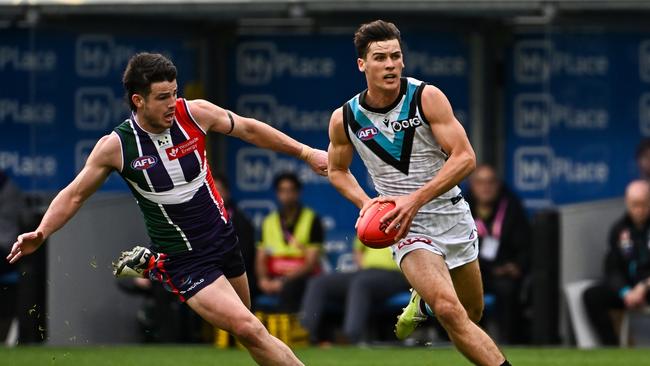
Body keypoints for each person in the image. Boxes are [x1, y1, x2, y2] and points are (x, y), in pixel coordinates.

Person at [6, 53, 328, 365]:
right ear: (138, 100)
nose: (173, 103)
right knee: (249, 328)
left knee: (249, 332)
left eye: (175, 93)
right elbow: (74, 194)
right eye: (162, 97)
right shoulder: (117, 146)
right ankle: (159, 265)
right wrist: (43, 231)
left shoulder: (196, 114)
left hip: (223, 239)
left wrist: (304, 152)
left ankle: (151, 264)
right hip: (185, 260)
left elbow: (249, 128)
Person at [326, 20, 510, 365]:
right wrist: (366, 204)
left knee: (471, 312)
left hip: (450, 213)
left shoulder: (426, 97)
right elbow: (336, 170)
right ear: (362, 65)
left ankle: (421, 303)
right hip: (403, 224)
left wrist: (415, 199)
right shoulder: (345, 118)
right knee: (449, 309)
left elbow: (466, 157)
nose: (391, 64)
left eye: (396, 56)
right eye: (380, 58)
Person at [466, 164, 531, 344]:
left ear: (498, 185)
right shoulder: (461, 208)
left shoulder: (511, 207)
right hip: (474, 272)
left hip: (505, 273)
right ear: (472, 185)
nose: (486, 187)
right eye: (480, 182)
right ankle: (472, 342)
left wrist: (516, 266)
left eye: (490, 182)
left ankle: (507, 342)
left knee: (508, 289)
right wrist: (488, 269)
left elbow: (526, 244)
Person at [300, 237, 409, 344]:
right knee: (318, 283)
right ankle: (305, 334)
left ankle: (350, 337)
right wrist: (363, 266)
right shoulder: (373, 220)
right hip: (367, 272)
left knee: (361, 283)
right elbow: (358, 249)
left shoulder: (410, 222)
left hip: (397, 274)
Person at [583, 180, 650, 346]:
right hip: (629, 291)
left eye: (644, 204)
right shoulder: (619, 229)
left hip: (647, 288)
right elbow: (612, 269)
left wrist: (644, 286)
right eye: (635, 205)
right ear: (627, 203)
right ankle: (612, 347)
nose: (639, 210)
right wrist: (625, 291)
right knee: (592, 295)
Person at [255, 172, 323, 313]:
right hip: (273, 277)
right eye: (283, 191)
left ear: (298, 192)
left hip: (300, 278)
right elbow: (261, 257)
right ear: (277, 193)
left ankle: (286, 333)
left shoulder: (312, 220)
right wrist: (263, 280)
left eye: (291, 190)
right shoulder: (268, 222)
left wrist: (284, 281)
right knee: (246, 285)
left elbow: (311, 263)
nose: (287, 195)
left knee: (291, 288)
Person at [212, 173, 258, 303]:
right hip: (209, 276)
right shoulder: (201, 220)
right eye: (211, 190)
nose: (214, 195)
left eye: (218, 190)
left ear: (227, 193)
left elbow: (244, 256)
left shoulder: (241, 221)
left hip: (236, 275)